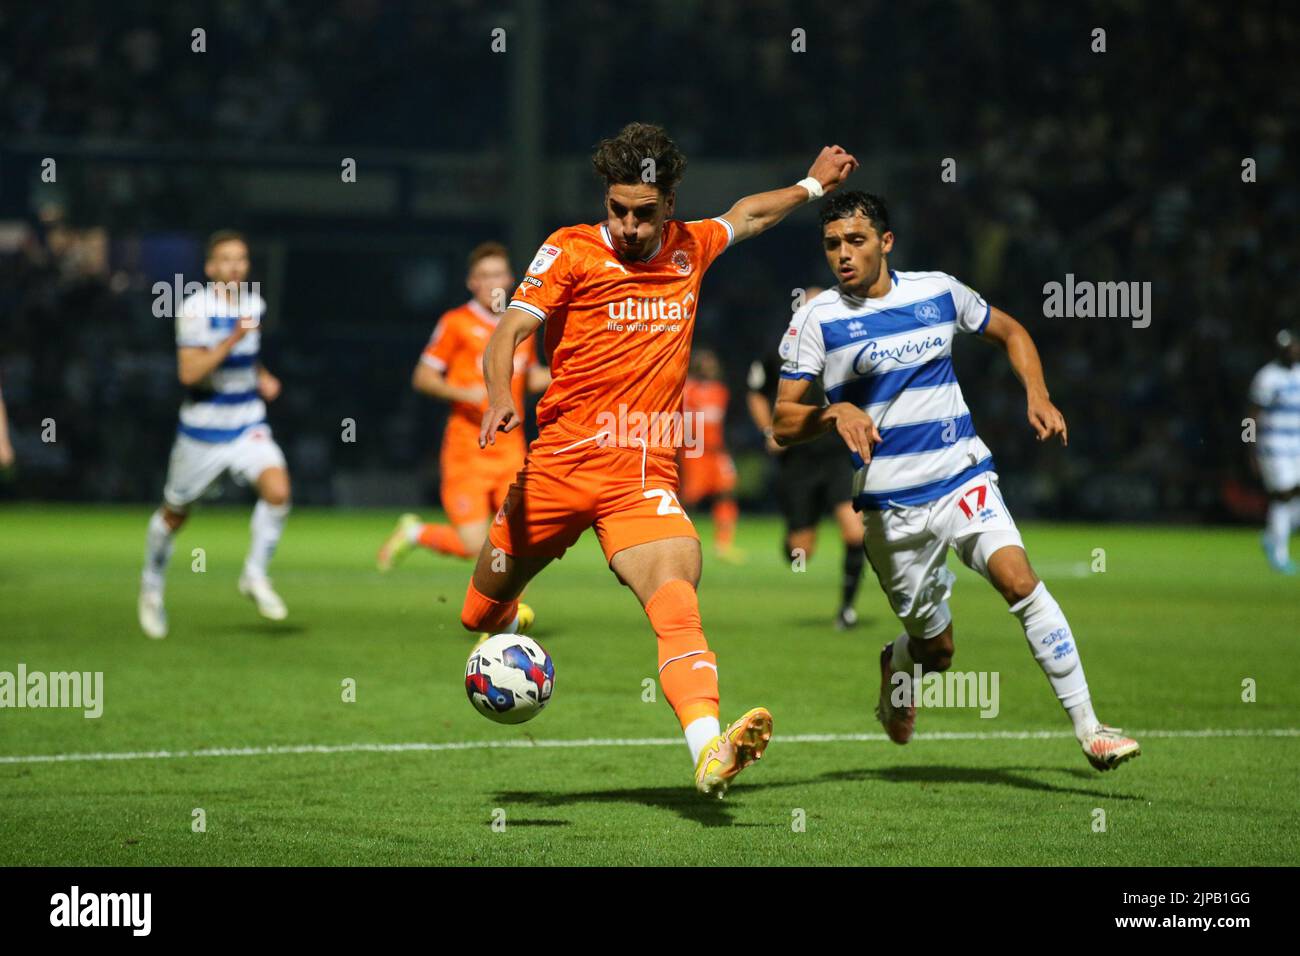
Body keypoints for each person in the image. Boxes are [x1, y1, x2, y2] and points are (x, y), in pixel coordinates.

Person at [467, 122, 857, 796]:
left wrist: (814, 185)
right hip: (555, 471)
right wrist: (501, 392)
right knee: (478, 614)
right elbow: (508, 331)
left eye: (643, 213)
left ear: (670, 205)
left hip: (639, 479)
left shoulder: (690, 247)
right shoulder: (569, 251)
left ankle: (710, 753)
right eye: (616, 209)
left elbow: (748, 215)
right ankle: (507, 620)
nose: (626, 225)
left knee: (677, 608)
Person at [773, 191, 1140, 772]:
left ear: (886, 242)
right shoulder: (817, 319)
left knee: (1020, 581)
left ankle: (1091, 728)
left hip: (961, 476)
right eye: (832, 244)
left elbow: (1013, 333)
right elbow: (782, 421)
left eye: (856, 241)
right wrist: (831, 414)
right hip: (891, 508)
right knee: (937, 653)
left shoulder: (938, 291)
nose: (843, 254)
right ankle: (898, 666)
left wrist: (1037, 395)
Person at [138, 231, 291, 639]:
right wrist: (234, 338)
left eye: (240, 259)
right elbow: (190, 373)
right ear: (209, 268)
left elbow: (248, 357)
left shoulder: (253, 303)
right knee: (174, 515)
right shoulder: (194, 309)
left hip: (247, 423)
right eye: (225, 259)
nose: (235, 267)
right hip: (202, 431)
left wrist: (263, 377)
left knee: (278, 491)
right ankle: (151, 590)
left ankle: (254, 577)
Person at [377, 243, 549, 598]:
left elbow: (528, 379)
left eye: (499, 274)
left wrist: (575, 371)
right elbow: (423, 377)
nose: (493, 283)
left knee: (516, 543)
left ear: (511, 278)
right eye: (484, 276)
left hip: (510, 452)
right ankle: (416, 533)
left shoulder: (520, 325)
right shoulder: (456, 324)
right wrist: (465, 393)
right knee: (475, 546)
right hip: (467, 449)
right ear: (472, 283)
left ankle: (504, 622)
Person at [746, 285, 865, 629]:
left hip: (835, 454)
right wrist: (769, 432)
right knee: (801, 553)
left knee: (855, 534)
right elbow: (754, 393)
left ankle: (846, 611)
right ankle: (797, 529)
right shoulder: (778, 350)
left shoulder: (845, 348)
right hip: (797, 460)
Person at [679, 349, 743, 563]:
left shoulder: (720, 391)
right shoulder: (687, 390)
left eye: (712, 362)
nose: (710, 366)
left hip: (717, 452)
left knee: (727, 492)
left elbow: (723, 423)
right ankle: (677, 539)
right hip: (695, 451)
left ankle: (723, 546)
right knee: (690, 499)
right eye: (706, 362)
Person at [1248, 328, 1300, 574]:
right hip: (1275, 444)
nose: (1291, 352)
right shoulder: (1267, 377)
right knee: (1284, 494)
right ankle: (1279, 554)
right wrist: (1250, 448)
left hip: (1297, 444)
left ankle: (1271, 537)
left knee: (1293, 496)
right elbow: (1251, 417)